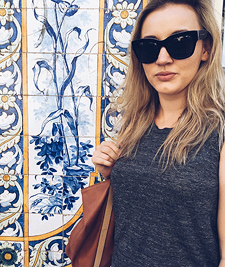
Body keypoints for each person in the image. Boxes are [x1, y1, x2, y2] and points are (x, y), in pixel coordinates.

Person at [91, 0, 225, 265]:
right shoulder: (134, 123)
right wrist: (112, 172)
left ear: (206, 48)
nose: (163, 59)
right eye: (149, 47)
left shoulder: (218, 133)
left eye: (180, 42)